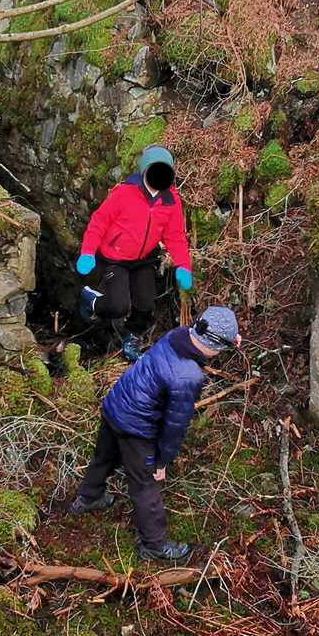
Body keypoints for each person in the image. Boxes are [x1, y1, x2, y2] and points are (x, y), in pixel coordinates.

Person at [69, 304, 240, 562]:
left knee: (104, 456)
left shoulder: (178, 335)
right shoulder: (188, 376)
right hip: (136, 426)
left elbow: (209, 333)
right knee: (144, 486)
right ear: (214, 344)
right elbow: (175, 425)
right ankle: (154, 546)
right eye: (222, 347)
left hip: (116, 405)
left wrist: (228, 337)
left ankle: (89, 497)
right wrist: (161, 461)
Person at [74, 143, 194, 357]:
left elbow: (175, 236)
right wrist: (88, 252)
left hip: (144, 259)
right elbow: (98, 222)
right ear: (145, 171)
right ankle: (90, 299)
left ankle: (132, 337)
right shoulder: (124, 193)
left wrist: (183, 266)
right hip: (114, 258)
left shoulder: (170, 200)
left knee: (146, 305)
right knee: (117, 306)